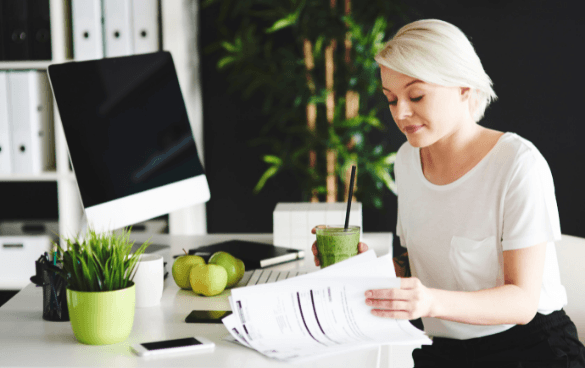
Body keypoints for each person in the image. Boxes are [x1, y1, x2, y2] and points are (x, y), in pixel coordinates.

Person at [312, 19, 585, 367]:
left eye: (416, 95)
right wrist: (360, 270)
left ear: (463, 88)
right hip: (444, 351)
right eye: (391, 99)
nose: (401, 113)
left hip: (530, 349)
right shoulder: (407, 160)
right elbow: (415, 276)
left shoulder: (518, 163)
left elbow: (522, 302)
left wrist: (430, 303)